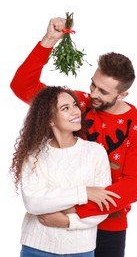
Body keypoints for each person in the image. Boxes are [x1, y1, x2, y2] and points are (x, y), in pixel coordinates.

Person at [10, 16, 137, 257]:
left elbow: (131, 187)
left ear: (123, 94)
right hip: (51, 225)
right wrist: (49, 41)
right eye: (93, 84)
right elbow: (22, 87)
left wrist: (71, 213)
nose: (93, 93)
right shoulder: (77, 104)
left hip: (107, 226)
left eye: (103, 91)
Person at [9, 85, 120, 257]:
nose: (76, 111)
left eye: (75, 105)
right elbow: (33, 202)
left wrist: (67, 221)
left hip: (81, 250)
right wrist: (85, 193)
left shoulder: (95, 152)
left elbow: (102, 206)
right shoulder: (34, 155)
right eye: (65, 108)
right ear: (50, 119)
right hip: (36, 248)